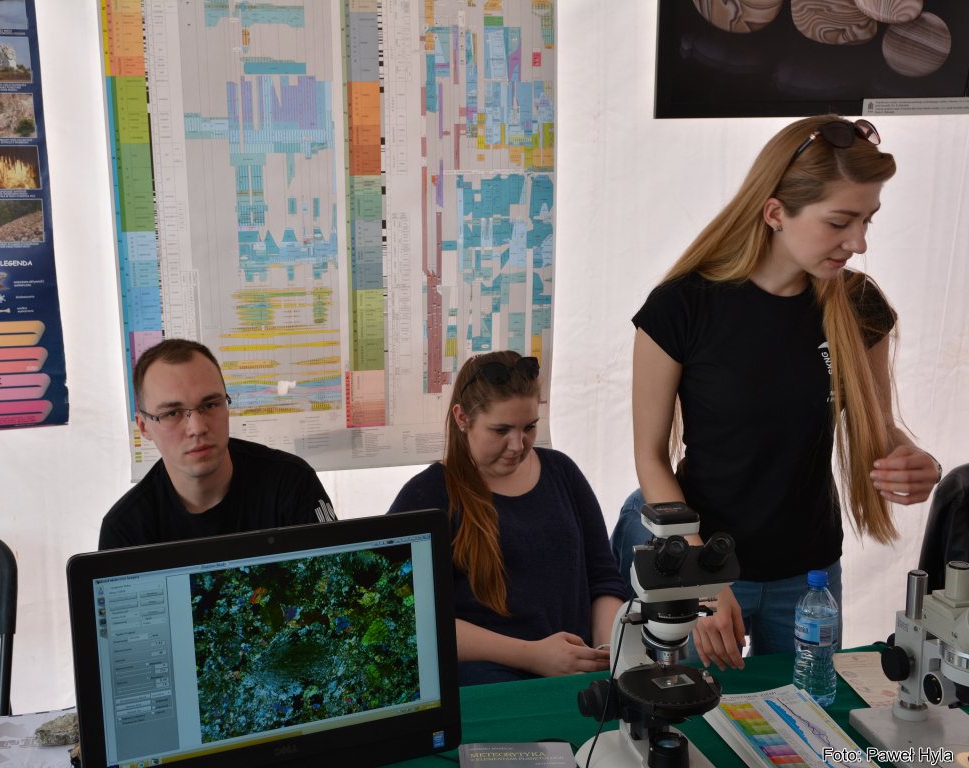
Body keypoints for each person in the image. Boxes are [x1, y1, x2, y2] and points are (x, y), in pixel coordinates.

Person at [620, 116, 942, 671]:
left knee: (809, 713)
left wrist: (916, 463)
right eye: (839, 221)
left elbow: (878, 429)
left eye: (867, 220)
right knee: (695, 715)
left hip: (810, 576)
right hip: (708, 567)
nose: (859, 243)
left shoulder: (858, 306)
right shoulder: (680, 308)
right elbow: (650, 457)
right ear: (775, 213)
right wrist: (702, 579)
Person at [387, 351, 628, 685]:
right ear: (462, 417)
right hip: (489, 685)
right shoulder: (427, 496)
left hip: (577, 675)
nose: (517, 445)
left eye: (529, 427)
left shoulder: (562, 472)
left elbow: (603, 578)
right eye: (501, 430)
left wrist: (606, 650)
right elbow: (407, 618)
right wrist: (533, 655)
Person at [99, 339, 336, 550]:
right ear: (143, 427)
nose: (197, 427)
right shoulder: (124, 531)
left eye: (210, 405)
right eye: (172, 413)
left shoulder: (292, 483)